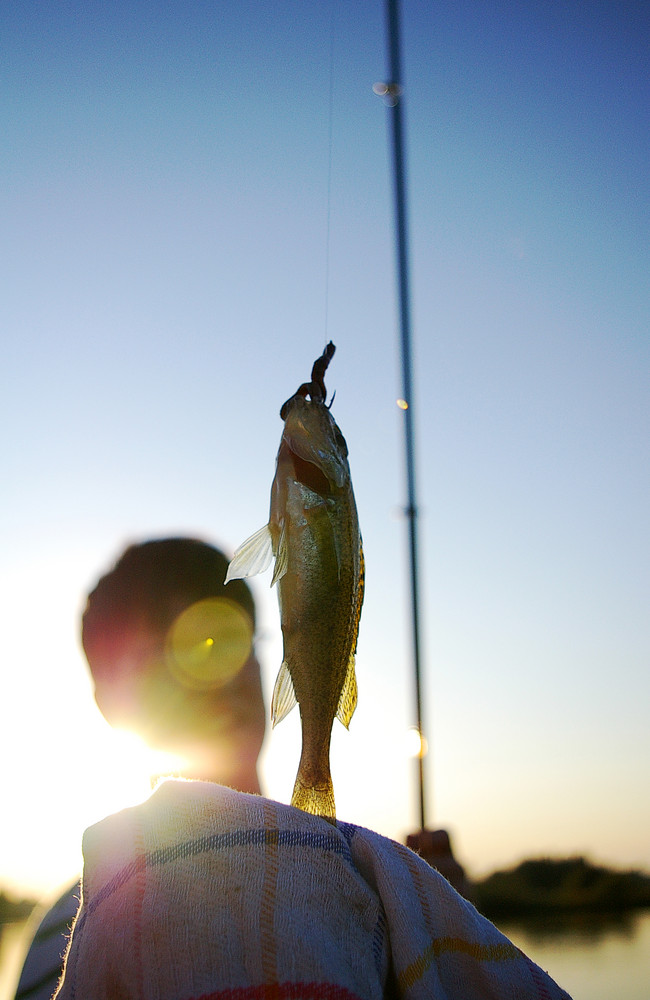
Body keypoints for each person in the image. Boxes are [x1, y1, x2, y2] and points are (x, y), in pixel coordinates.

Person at [14, 537, 265, 1000]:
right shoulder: (66, 941)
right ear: (112, 701)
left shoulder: (389, 892)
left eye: (231, 635)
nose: (220, 668)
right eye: (172, 648)